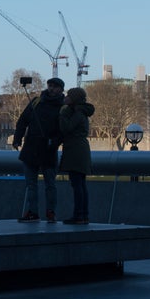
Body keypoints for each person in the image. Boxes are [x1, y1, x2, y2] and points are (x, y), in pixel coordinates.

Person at [13, 77, 65, 223]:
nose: (51, 89)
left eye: (55, 86)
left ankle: (50, 212)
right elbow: (23, 121)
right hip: (31, 148)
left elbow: (64, 130)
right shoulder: (36, 101)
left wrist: (54, 142)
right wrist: (17, 138)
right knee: (31, 185)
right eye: (50, 86)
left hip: (48, 150)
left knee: (50, 185)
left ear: (61, 89)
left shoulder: (63, 107)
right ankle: (32, 212)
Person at [58, 87, 95, 225]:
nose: (66, 97)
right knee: (81, 184)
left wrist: (62, 114)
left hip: (75, 151)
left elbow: (67, 128)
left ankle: (79, 215)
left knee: (77, 184)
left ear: (74, 98)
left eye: (68, 96)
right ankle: (83, 214)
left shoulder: (77, 114)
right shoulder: (81, 112)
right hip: (80, 150)